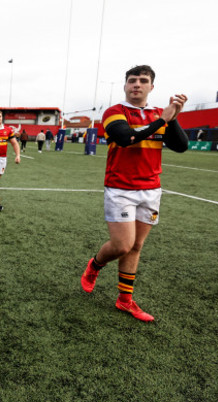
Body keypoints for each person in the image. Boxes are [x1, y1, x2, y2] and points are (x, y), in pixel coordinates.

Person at [80, 64, 188, 322]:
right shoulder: (115, 112)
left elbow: (181, 146)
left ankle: (125, 301)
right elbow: (126, 138)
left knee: (136, 246)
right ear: (125, 85)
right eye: (132, 80)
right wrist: (163, 119)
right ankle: (94, 265)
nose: (136, 84)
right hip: (120, 188)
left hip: (151, 189)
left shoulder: (159, 113)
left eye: (142, 80)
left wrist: (172, 119)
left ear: (152, 86)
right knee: (122, 245)